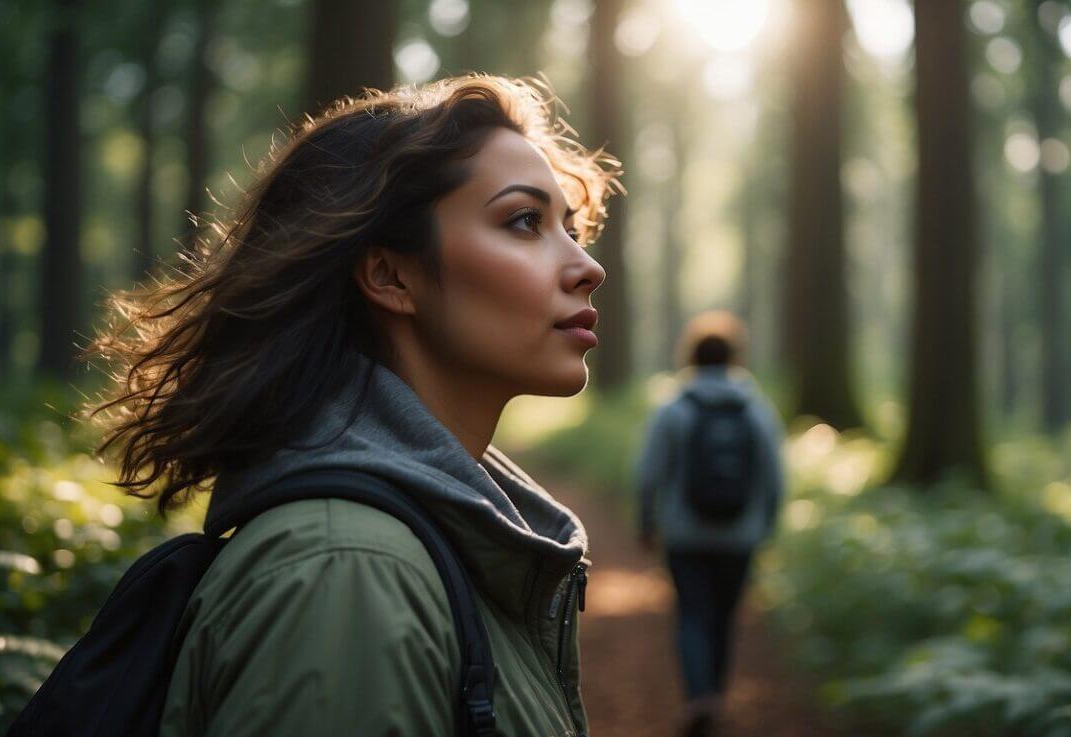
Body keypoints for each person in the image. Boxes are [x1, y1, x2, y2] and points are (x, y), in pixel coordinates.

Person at [86, 74, 618, 737]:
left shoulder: (424, 544)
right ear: (390, 275)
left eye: (569, 227)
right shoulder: (348, 574)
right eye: (522, 222)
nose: (586, 265)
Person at [633, 310, 787, 737]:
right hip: (741, 536)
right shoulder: (756, 408)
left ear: (693, 356)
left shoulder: (674, 406)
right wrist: (767, 525)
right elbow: (774, 476)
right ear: (735, 357)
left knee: (693, 614)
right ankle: (715, 698)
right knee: (724, 616)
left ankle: (699, 697)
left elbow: (648, 472)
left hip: (684, 535)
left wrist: (646, 521)